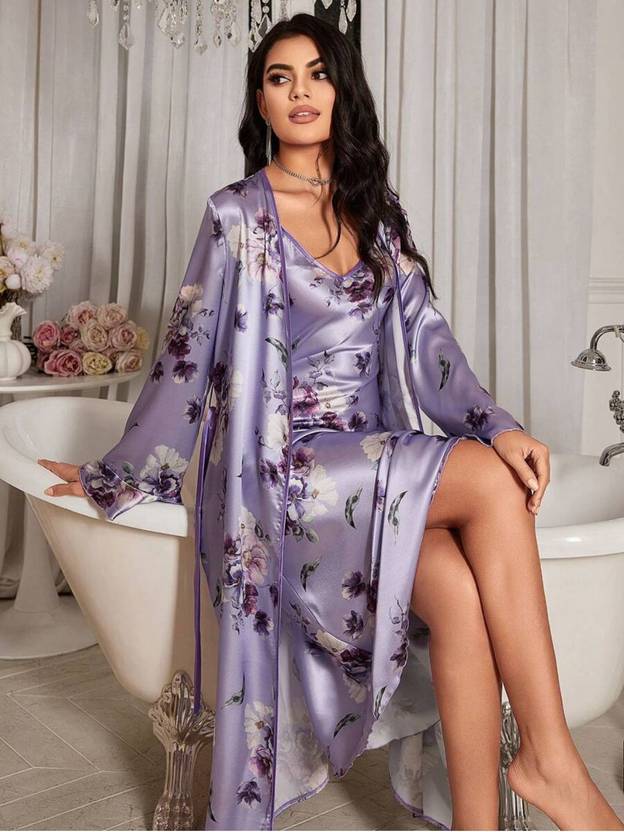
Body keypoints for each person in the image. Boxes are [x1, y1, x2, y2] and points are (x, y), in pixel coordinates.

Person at [37, 13, 623, 832]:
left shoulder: (375, 213)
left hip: (370, 464)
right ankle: (551, 760)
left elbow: (429, 345)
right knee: (491, 484)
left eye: (317, 73)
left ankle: (480, 824)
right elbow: (184, 359)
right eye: (280, 78)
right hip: (285, 472)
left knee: (459, 595)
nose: (301, 91)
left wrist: (499, 423)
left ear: (341, 90)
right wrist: (118, 473)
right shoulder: (236, 216)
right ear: (261, 102)